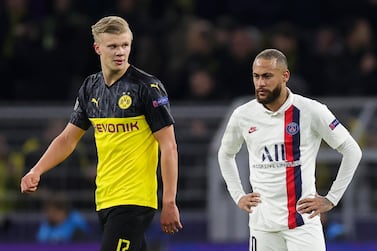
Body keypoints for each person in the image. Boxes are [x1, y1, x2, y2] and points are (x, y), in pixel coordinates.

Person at [21, 16, 182, 251]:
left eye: (125, 45)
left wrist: (169, 201)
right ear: (98, 48)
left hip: (134, 200)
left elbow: (169, 147)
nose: (120, 52)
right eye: (113, 46)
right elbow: (68, 138)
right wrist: (37, 170)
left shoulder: (146, 87)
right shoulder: (90, 88)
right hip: (105, 198)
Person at [217, 48, 362, 251]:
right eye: (256, 77)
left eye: (267, 76)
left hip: (303, 225)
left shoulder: (311, 110)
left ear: (285, 76)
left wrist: (331, 199)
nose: (260, 83)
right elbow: (225, 153)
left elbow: (352, 150)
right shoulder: (243, 114)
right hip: (262, 227)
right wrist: (238, 194)